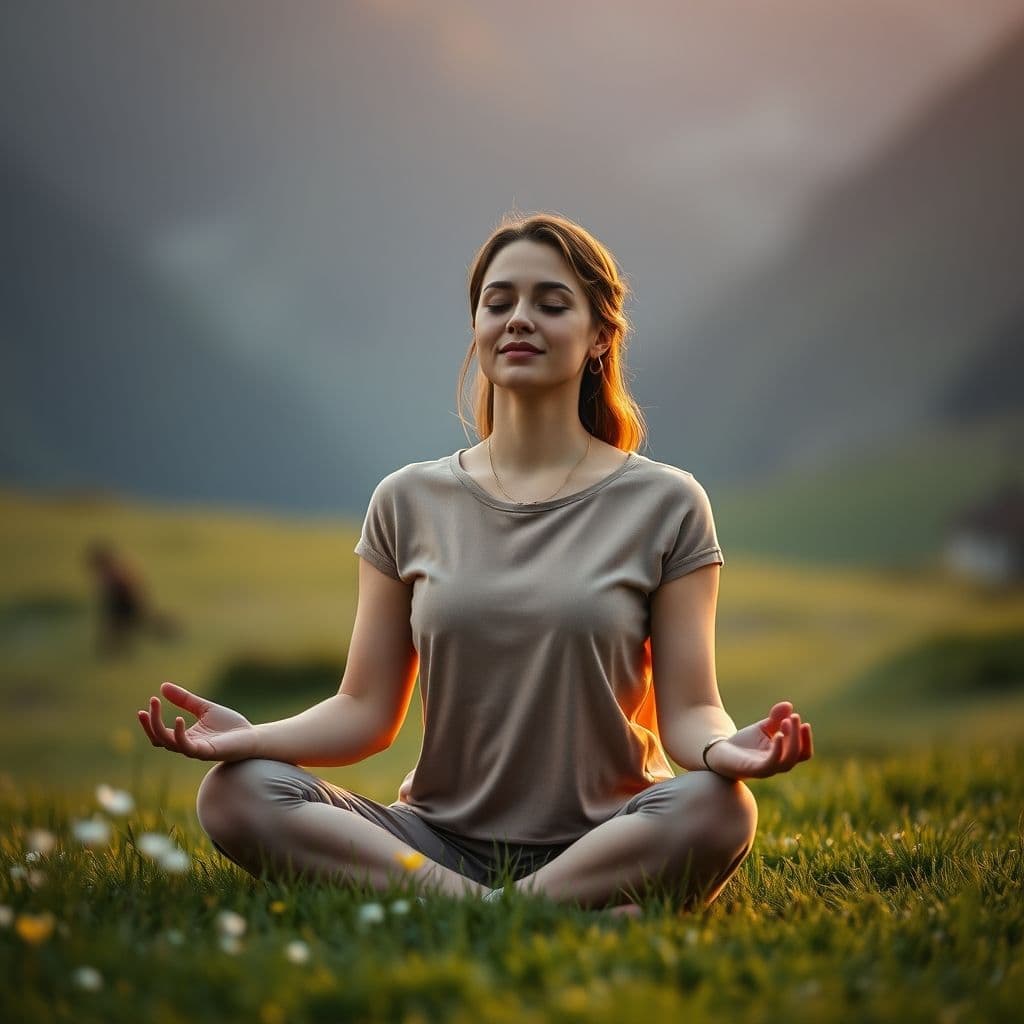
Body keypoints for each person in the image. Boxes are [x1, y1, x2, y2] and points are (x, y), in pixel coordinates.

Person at [137, 212, 813, 914]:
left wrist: (724, 752)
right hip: (435, 840)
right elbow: (364, 710)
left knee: (721, 809)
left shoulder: (667, 502)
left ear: (600, 338)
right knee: (238, 792)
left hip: (612, 837)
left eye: (550, 304)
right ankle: (532, 912)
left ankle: (481, 909)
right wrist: (250, 738)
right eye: (499, 303)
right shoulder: (406, 499)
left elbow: (691, 710)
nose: (520, 319)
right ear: (479, 330)